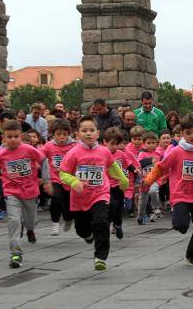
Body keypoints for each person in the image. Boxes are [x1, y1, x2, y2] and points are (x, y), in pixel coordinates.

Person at [143, 114, 193, 266]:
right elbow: (161, 167)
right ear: (182, 134)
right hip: (180, 195)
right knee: (181, 225)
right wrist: (148, 180)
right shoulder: (177, 151)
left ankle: (192, 256)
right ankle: (180, 222)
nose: (192, 136)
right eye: (188, 133)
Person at [59, 116, 130, 271]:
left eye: (92, 130)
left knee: (101, 222)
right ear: (77, 135)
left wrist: (123, 179)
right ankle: (88, 235)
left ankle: (100, 256)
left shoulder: (104, 151)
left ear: (98, 133)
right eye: (84, 131)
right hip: (79, 198)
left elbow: (112, 167)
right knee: (81, 229)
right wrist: (74, 182)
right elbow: (63, 174)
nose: (88, 134)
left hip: (100, 194)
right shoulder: (73, 153)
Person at [0, 120, 51, 268]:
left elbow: (44, 160)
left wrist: (46, 180)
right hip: (11, 191)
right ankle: (16, 253)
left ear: (21, 136)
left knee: (30, 221)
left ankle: (29, 229)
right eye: (9, 137)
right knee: (14, 220)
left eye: (16, 136)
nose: (13, 139)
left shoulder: (29, 150)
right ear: (3, 138)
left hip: (31, 191)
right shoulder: (0, 155)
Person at [40, 119, 77, 236]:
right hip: (55, 179)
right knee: (56, 198)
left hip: (70, 180)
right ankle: (55, 223)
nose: (62, 137)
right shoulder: (48, 146)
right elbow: (39, 157)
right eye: (58, 134)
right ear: (53, 134)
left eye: (65, 134)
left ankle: (68, 218)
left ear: (69, 134)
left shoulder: (75, 145)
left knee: (68, 205)